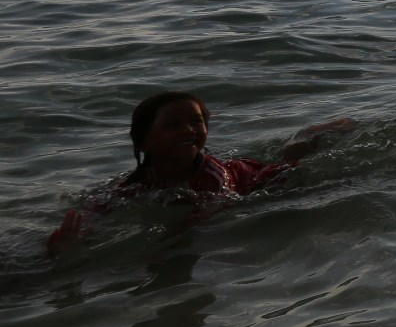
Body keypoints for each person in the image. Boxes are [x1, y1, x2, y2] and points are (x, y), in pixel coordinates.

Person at [46, 92, 355, 254]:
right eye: (173, 125)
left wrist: (164, 244)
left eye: (197, 122)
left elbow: (208, 216)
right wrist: (72, 243)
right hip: (237, 170)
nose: (189, 130)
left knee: (284, 165)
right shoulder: (134, 182)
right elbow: (101, 209)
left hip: (260, 180)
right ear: (143, 141)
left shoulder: (212, 179)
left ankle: (314, 136)